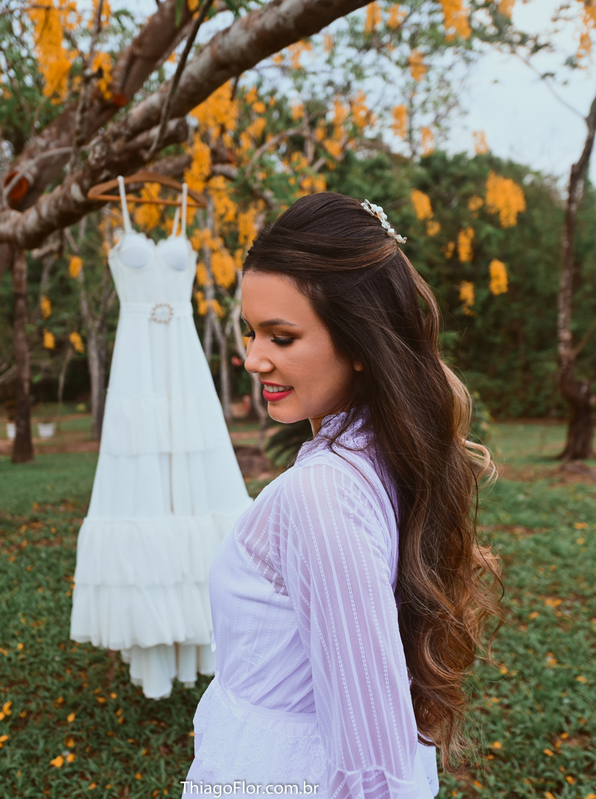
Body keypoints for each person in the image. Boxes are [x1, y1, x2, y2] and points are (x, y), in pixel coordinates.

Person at [182, 192, 503, 798]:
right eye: (252, 332)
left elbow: (372, 757)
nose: (253, 359)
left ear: (358, 342)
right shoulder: (378, 452)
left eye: (281, 337)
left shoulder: (322, 493)